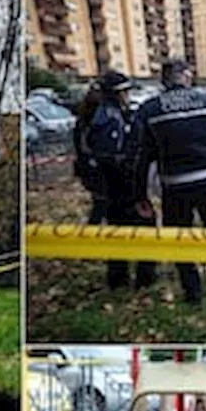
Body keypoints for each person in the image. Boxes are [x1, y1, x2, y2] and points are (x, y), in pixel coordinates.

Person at [130, 59, 206, 305]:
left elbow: (140, 156)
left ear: (164, 80)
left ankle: (193, 291)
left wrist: (140, 194)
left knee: (179, 237)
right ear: (187, 77)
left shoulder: (149, 110)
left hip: (174, 186)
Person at [72, 70, 156, 291]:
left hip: (104, 189)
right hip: (121, 188)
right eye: (126, 92)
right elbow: (116, 158)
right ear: (118, 94)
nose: (129, 96)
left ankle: (117, 280)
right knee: (145, 232)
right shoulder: (109, 118)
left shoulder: (89, 116)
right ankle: (143, 280)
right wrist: (136, 189)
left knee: (115, 233)